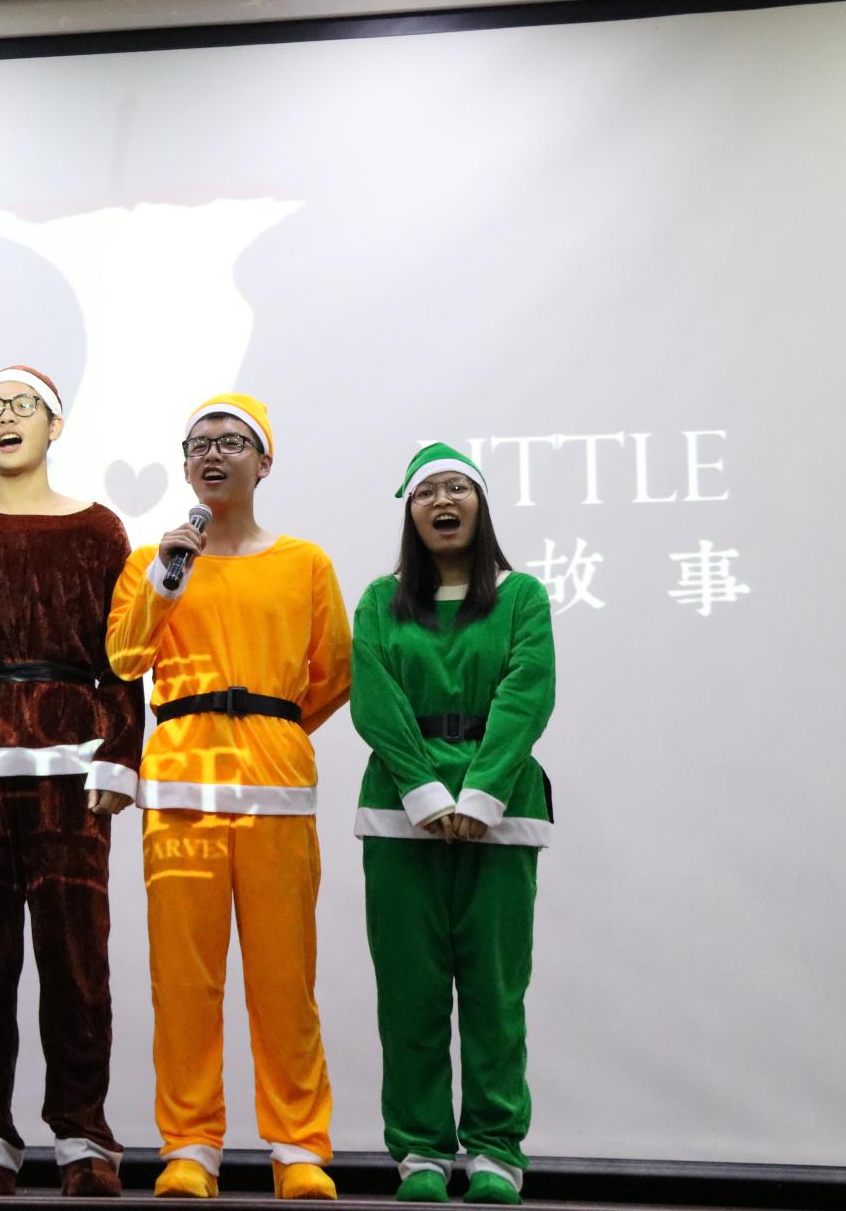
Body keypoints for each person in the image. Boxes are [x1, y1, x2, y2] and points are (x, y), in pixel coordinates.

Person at [105, 393, 352, 1201]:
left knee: (285, 980)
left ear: (264, 461)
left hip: (278, 791)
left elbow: (332, 675)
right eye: (198, 444)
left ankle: (298, 1147)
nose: (211, 454)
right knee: (184, 980)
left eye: (231, 442)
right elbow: (125, 658)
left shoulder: (306, 562)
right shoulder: (153, 562)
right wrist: (166, 581)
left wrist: (270, 727)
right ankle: (190, 1146)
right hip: (180, 789)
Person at [0, 366, 144, 1198]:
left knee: (78, 958)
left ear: (56, 425)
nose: (7, 419)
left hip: (72, 769)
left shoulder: (100, 530)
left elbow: (122, 658)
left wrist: (120, 754)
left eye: (23, 407)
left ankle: (83, 1135)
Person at [350, 444, 554, 1206]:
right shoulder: (380, 601)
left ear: (481, 504)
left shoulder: (521, 596)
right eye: (425, 491)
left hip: (500, 818)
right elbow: (374, 700)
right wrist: (426, 791)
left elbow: (528, 693)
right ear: (409, 512)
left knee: (496, 991)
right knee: (411, 994)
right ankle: (422, 1155)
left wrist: (481, 795)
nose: (442, 500)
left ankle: (497, 1152)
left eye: (457, 487)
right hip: (401, 818)